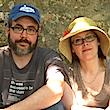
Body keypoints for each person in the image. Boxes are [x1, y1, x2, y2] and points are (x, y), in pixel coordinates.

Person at [0, 4, 65, 110]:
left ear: (38, 33)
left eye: (31, 29)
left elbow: (56, 89)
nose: (24, 36)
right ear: (8, 31)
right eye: (18, 28)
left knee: (57, 106)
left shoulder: (48, 58)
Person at [59, 16, 110, 110]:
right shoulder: (67, 74)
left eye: (89, 37)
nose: (85, 43)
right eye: (78, 40)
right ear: (72, 49)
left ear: (98, 41)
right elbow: (72, 107)